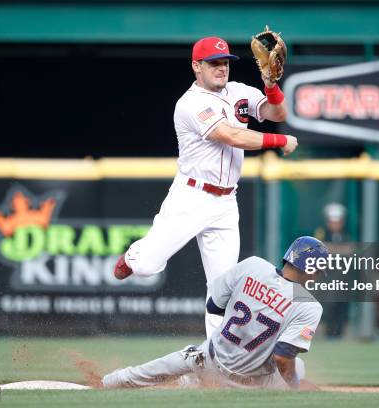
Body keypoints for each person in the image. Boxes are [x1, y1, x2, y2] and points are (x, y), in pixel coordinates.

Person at [112, 36, 297, 336]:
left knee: (222, 289)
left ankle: (217, 360)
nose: (221, 68)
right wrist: (280, 141)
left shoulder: (238, 91)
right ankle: (133, 256)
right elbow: (230, 135)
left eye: (225, 62)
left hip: (225, 203)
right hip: (191, 197)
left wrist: (270, 84)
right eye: (213, 63)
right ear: (196, 66)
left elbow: (278, 114)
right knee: (146, 266)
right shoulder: (190, 103)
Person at [102, 236, 328, 390]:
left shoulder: (253, 265)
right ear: (311, 269)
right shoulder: (309, 305)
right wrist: (297, 388)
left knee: (141, 373)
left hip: (206, 359)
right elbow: (282, 357)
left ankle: (107, 382)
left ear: (289, 256)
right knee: (298, 368)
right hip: (251, 384)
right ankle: (194, 384)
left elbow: (213, 306)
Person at [315, 203, 352, 338]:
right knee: (329, 305)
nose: (335, 225)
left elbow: (351, 250)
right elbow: (321, 249)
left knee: (342, 305)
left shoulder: (347, 233)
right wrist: (339, 250)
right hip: (327, 277)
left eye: (338, 222)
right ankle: (329, 331)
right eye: (332, 222)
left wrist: (333, 250)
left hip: (342, 277)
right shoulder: (322, 232)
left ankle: (339, 332)